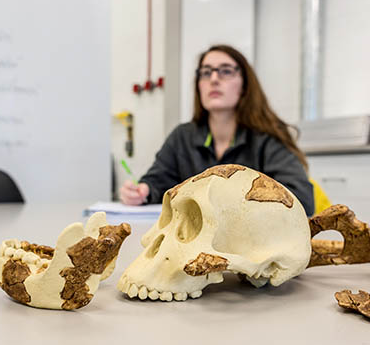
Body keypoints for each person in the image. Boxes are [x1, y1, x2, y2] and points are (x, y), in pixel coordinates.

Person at [120, 44, 314, 216]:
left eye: (226, 71)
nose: (213, 79)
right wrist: (141, 192)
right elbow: (157, 183)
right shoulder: (182, 137)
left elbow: (301, 199)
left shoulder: (268, 137)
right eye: (206, 72)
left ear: (245, 85)